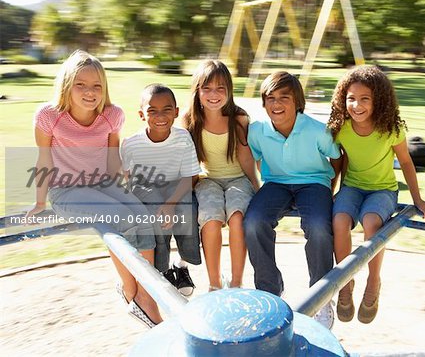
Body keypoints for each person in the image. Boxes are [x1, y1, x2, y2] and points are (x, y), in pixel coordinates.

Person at [25, 50, 162, 328]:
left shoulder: (112, 116)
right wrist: (40, 202)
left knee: (141, 218)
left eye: (97, 85)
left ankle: (147, 295)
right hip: (67, 192)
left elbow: (112, 158)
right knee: (120, 220)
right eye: (81, 85)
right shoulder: (49, 116)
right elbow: (44, 158)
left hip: (102, 185)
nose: (90, 92)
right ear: (67, 86)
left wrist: (122, 189)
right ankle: (130, 291)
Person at [327, 65, 425, 324]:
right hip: (352, 187)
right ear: (343, 98)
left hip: (383, 189)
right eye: (351, 98)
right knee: (339, 220)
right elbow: (337, 162)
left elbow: (407, 163)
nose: (357, 105)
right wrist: (331, 192)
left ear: (379, 101)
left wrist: (418, 198)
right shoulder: (341, 128)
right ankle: (345, 283)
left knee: (372, 222)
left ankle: (373, 282)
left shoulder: (391, 130)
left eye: (365, 99)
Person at [243, 71, 340, 330]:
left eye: (284, 97)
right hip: (276, 184)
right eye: (270, 98)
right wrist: (265, 180)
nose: (276, 104)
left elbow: (337, 156)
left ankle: (320, 296)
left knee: (319, 225)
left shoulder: (317, 130)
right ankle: (269, 290)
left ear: (297, 101)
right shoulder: (257, 131)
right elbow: (256, 157)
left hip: (314, 183)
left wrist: (331, 187)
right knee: (253, 221)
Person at [183, 60, 259, 291]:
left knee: (237, 218)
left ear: (229, 91)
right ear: (197, 90)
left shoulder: (239, 119)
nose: (213, 94)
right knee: (211, 218)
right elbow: (190, 161)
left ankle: (236, 283)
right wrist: (184, 192)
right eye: (207, 88)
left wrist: (257, 187)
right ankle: (214, 284)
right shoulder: (190, 121)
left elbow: (246, 158)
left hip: (238, 179)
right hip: (209, 180)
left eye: (220, 88)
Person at [120, 83, 202, 297]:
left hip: (177, 185)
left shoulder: (183, 138)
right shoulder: (131, 144)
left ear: (176, 112)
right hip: (146, 187)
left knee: (187, 210)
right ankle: (163, 270)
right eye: (152, 111)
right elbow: (127, 178)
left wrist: (172, 203)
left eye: (167, 109)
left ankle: (182, 266)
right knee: (157, 214)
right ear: (141, 115)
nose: (160, 116)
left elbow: (188, 177)